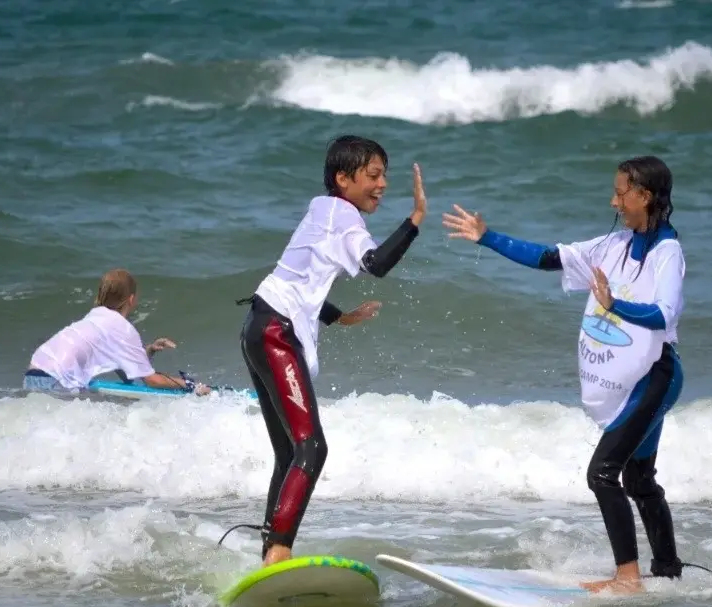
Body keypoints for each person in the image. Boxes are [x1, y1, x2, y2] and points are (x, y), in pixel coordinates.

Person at [443, 155, 706, 593]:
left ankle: (627, 578)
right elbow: (549, 258)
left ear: (645, 196)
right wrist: (487, 237)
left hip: (656, 376)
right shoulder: (614, 244)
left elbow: (664, 314)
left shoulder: (667, 253)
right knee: (639, 478)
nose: (614, 199)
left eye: (621, 192)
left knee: (603, 473)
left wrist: (614, 305)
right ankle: (667, 571)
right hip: (633, 378)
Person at [221, 135, 427, 566]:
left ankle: (269, 556)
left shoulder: (323, 209)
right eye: (373, 175)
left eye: (384, 175)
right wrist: (414, 221)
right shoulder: (342, 216)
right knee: (312, 449)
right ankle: (278, 551)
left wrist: (337, 316)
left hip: (259, 326)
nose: (383, 184)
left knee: (289, 453)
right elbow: (376, 265)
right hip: (276, 333)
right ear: (343, 178)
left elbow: (301, 274)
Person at [23, 268, 210, 395]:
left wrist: (150, 350)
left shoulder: (95, 317)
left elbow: (127, 369)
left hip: (34, 373)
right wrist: (191, 386)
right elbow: (152, 381)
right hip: (56, 380)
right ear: (131, 300)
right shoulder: (122, 328)